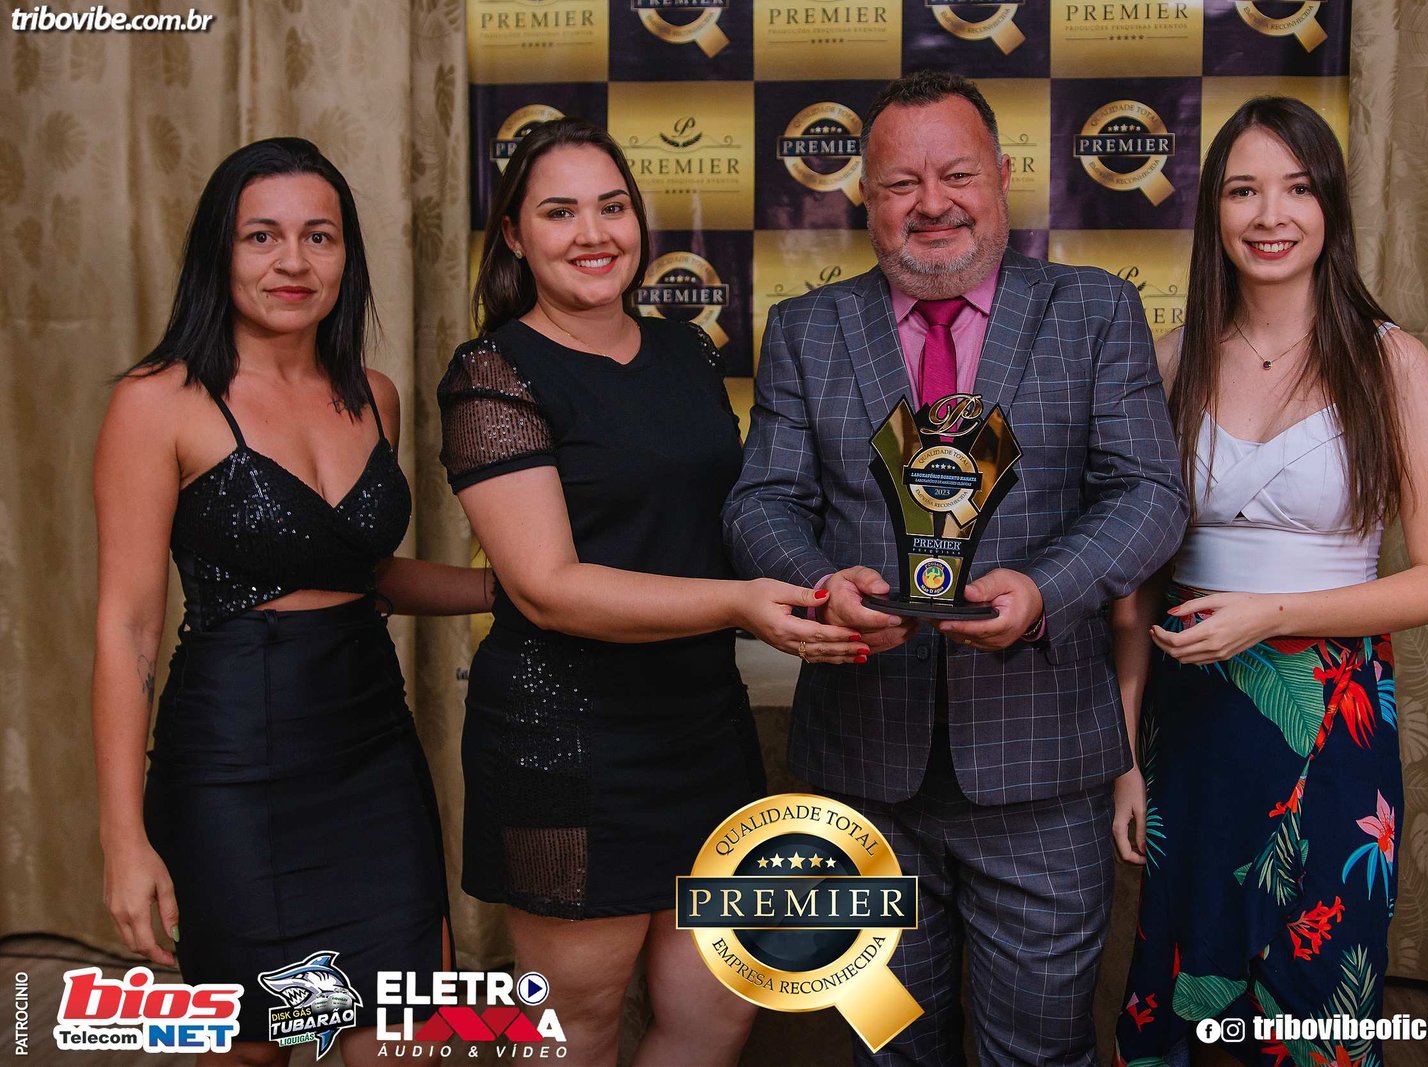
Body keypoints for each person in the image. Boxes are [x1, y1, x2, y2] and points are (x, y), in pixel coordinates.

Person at [723, 70, 1189, 1067]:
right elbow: (761, 501)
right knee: (888, 1043)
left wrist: (1046, 589)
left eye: (956, 174)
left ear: (1003, 177)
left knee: (1038, 1050)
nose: (930, 203)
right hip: (864, 766)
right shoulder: (807, 328)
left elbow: (1149, 494)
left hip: (1042, 768)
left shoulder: (1094, 312)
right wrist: (824, 586)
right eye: (901, 183)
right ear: (865, 196)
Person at [435, 117, 860, 1067]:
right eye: (559, 212)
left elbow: (729, 517)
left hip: (704, 725)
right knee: (577, 1024)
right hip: (565, 740)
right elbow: (547, 588)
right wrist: (740, 604)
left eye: (612, 206)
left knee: (718, 1012)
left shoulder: (684, 350)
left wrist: (829, 580)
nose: (593, 233)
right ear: (514, 236)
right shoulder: (493, 372)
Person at [93, 137, 488, 1065]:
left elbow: (356, 571)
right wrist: (123, 839)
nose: (293, 261)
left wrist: (508, 590)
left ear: (347, 255)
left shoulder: (375, 396)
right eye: (261, 236)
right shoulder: (158, 401)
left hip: (373, 756)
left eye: (320, 235)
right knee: (250, 1047)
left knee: (407, 1037)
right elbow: (128, 627)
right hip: (231, 767)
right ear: (219, 252)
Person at [1110, 97, 1428, 1067]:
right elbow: (1135, 591)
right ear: (1213, 212)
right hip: (1192, 724)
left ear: (1329, 207)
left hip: (1333, 721)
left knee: (1316, 992)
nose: (1270, 215)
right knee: (1185, 976)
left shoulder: (1390, 361)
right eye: (1243, 191)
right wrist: (1124, 755)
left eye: (1297, 188)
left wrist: (1273, 613)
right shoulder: (1170, 361)